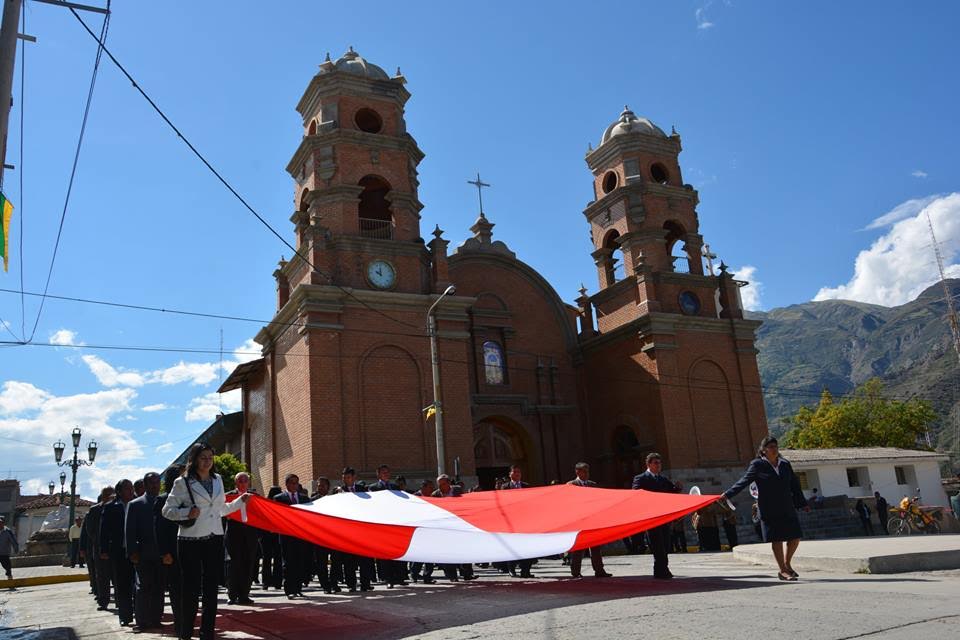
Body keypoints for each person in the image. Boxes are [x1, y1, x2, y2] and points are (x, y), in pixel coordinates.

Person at [162, 443, 248, 640]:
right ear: (194, 459)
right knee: (190, 588)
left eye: (210, 457)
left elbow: (219, 510)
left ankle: (207, 632)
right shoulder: (182, 482)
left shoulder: (217, 479)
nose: (207, 461)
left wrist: (239, 502)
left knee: (211, 589)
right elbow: (166, 511)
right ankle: (185, 632)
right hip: (189, 539)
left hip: (214, 538)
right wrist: (186, 512)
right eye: (203, 457)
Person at [722, 435, 809, 582]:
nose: (774, 450)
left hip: (787, 506)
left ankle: (787, 564)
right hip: (769, 507)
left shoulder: (785, 464)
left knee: (795, 537)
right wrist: (727, 494)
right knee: (777, 539)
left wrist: (802, 503)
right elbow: (744, 481)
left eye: (776, 447)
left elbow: (794, 485)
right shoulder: (757, 465)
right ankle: (782, 570)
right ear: (763, 451)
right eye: (771, 447)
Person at [126, 472, 164, 631]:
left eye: (157, 482)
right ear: (145, 485)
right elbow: (129, 531)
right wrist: (132, 552)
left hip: (162, 554)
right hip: (142, 554)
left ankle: (156, 619)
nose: (155, 485)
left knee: (159, 587)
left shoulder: (166, 502)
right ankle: (141, 621)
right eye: (151, 483)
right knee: (142, 588)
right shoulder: (135, 504)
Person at [632, 453, 679, 579]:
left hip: (664, 517)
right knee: (656, 544)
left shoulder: (663, 479)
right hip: (651, 518)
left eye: (659, 463)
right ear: (648, 464)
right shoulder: (640, 478)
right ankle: (662, 570)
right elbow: (636, 494)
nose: (658, 465)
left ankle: (661, 570)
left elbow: (672, 492)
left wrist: (677, 488)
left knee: (666, 544)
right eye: (656, 463)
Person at [566, 463, 612, 578]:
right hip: (578, 521)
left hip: (593, 521)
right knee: (579, 548)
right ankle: (575, 571)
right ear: (577, 472)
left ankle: (599, 570)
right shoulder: (571, 485)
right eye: (584, 471)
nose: (587, 474)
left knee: (596, 546)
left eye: (588, 471)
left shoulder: (593, 485)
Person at [101, 479, 136, 627]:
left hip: (136, 550)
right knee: (122, 584)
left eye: (131, 488)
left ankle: (139, 612)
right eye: (127, 489)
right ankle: (125, 615)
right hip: (119, 551)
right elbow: (104, 530)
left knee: (137, 584)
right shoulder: (111, 507)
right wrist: (104, 549)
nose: (130, 491)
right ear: (120, 492)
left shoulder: (137, 504)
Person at [272, 473, 311, 599]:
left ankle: (298, 588)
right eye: (292, 483)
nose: (294, 485)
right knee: (288, 563)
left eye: (296, 483)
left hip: (300, 535)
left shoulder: (304, 499)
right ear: (287, 484)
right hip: (286, 535)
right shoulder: (279, 498)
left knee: (300, 562)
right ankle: (289, 589)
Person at [367, 464, 407, 588]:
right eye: (383, 472)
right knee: (385, 554)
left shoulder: (395, 487)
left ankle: (400, 577)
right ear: (378, 474)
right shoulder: (373, 488)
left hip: (395, 524)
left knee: (397, 551)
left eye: (387, 472)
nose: (386, 474)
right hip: (382, 525)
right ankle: (388, 578)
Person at [334, 468, 374, 592]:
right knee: (348, 560)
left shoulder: (363, 490)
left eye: (348, 477)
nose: (345, 480)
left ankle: (365, 583)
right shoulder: (338, 491)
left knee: (365, 559)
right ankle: (351, 584)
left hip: (362, 530)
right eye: (344, 477)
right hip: (347, 531)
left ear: (354, 477)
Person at [157, 466, 185, 638]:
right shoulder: (163, 500)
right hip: (172, 552)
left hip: (190, 549)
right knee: (176, 589)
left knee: (189, 589)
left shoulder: (190, 498)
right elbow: (160, 529)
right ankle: (180, 623)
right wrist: (164, 552)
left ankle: (187, 619)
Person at [225, 472, 260, 605]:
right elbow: (222, 512)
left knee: (248, 564)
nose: (243, 482)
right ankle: (232, 595)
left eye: (245, 480)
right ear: (236, 482)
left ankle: (244, 594)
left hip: (250, 535)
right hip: (233, 535)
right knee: (233, 565)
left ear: (249, 483)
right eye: (240, 480)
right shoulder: (229, 496)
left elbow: (260, 514)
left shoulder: (255, 496)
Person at [500, 465, 535, 578]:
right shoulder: (505, 487)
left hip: (525, 521)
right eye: (514, 472)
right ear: (510, 474)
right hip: (511, 522)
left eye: (519, 472)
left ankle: (526, 570)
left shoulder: (526, 486)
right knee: (512, 546)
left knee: (528, 546)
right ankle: (511, 569)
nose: (517, 474)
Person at [85, 486, 115, 610]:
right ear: (103, 496)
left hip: (115, 547)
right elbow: (90, 530)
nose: (111, 497)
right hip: (99, 547)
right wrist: (99, 542)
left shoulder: (116, 507)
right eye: (108, 495)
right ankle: (103, 600)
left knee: (116, 575)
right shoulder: (94, 510)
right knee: (102, 576)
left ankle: (119, 599)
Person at [0, 516, 18, 580]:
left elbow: (13, 540)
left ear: (3, 523)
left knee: (7, 566)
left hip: (4, 552)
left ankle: (9, 577)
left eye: (1, 522)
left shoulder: (7, 531)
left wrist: (16, 548)